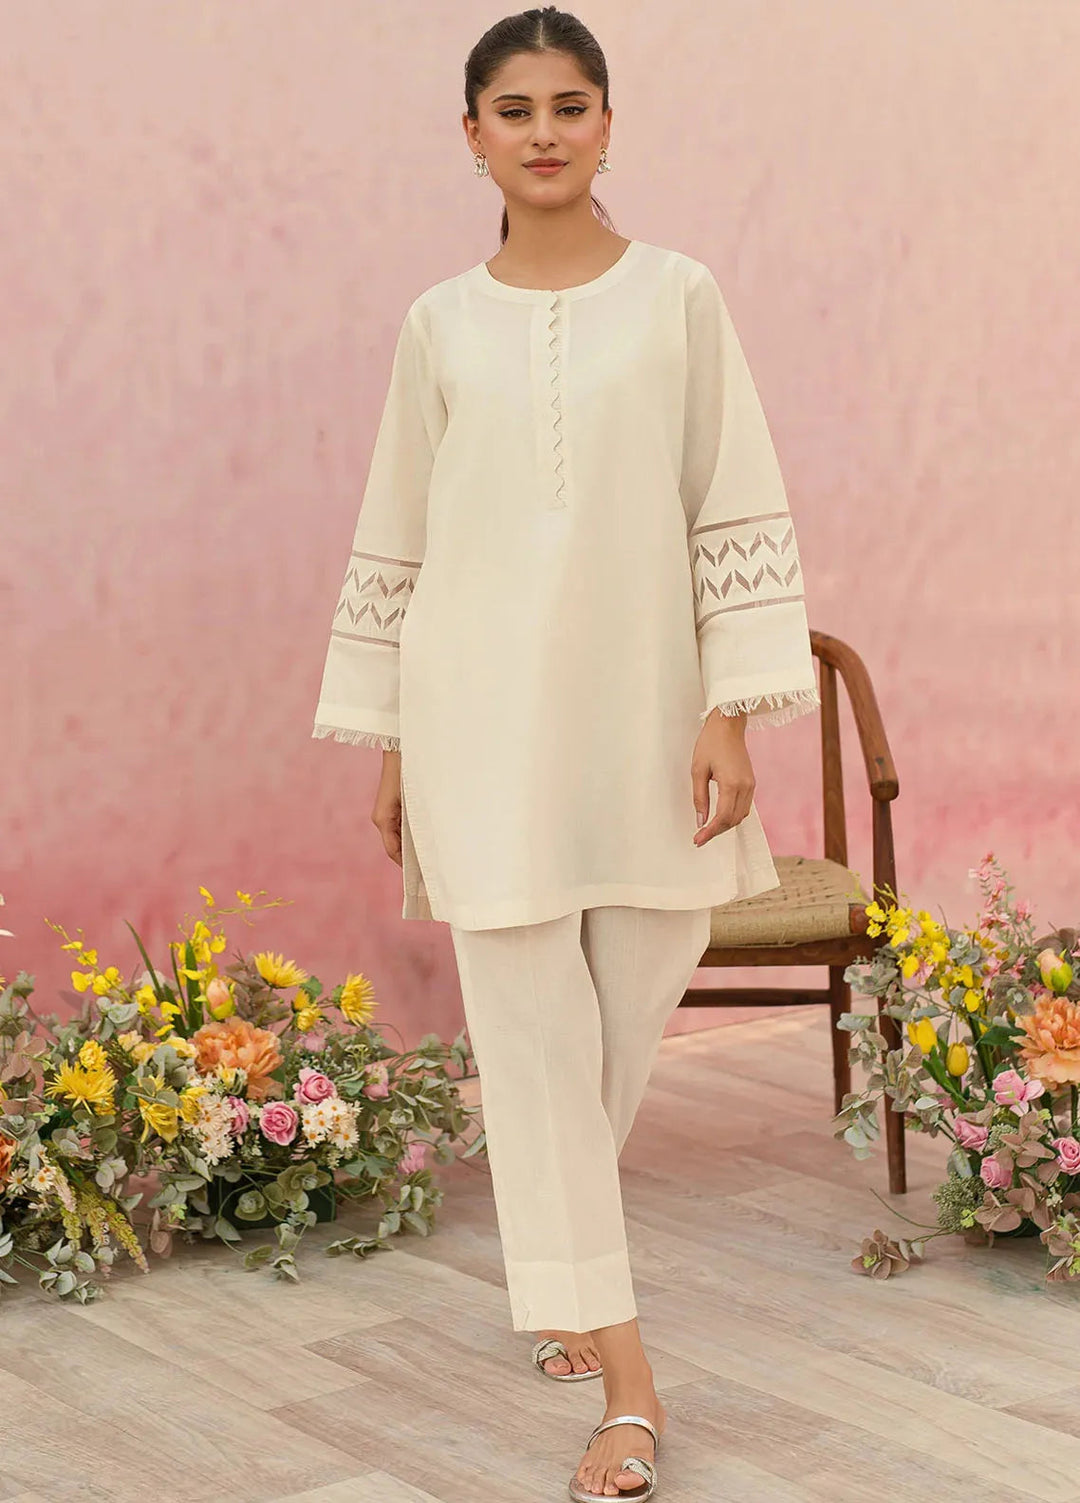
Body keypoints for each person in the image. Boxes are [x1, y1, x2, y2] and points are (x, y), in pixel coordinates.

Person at [313, 8, 819, 1498]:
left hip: (646, 715)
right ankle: (628, 1380)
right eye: (515, 108)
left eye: (571, 105)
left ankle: (560, 1281)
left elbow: (730, 494)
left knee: (630, 998)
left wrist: (729, 706)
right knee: (531, 1039)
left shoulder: (679, 298)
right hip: (476, 719)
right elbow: (400, 528)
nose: (545, 132)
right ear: (470, 134)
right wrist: (393, 744)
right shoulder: (439, 324)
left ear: (609, 125)